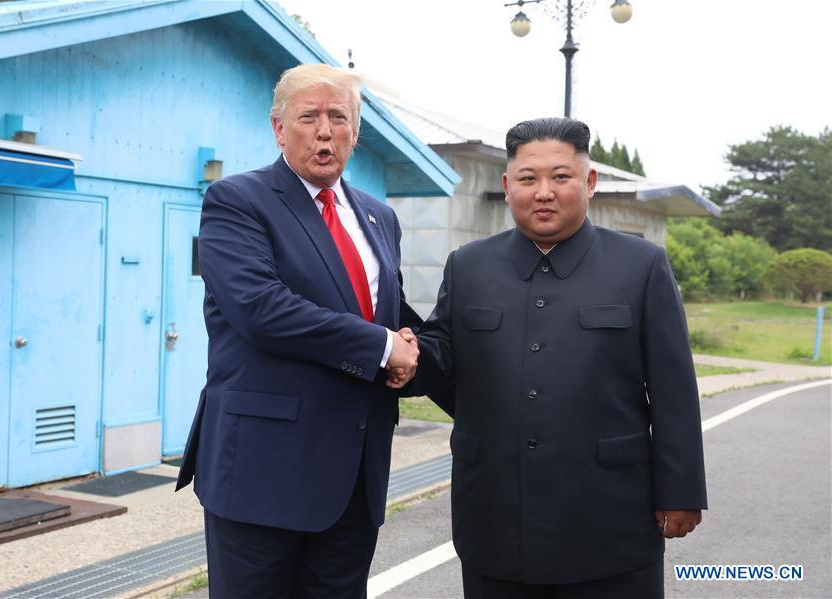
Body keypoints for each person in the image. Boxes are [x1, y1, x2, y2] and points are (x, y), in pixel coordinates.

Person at [391, 117, 707, 598]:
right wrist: (402, 355)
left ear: (590, 182)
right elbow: (442, 358)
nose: (543, 191)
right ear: (507, 185)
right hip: (495, 517)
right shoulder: (469, 265)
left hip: (610, 520)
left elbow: (673, 388)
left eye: (561, 177)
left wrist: (681, 491)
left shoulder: (640, 266)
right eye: (527, 178)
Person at [176, 63, 420, 598]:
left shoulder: (380, 216)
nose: (325, 129)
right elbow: (261, 309)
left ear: (356, 131)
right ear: (279, 128)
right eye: (309, 116)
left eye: (340, 116)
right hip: (264, 471)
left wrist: (417, 350)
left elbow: (389, 313)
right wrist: (382, 348)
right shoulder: (238, 201)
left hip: (355, 473)